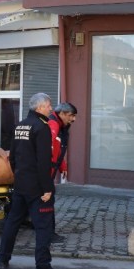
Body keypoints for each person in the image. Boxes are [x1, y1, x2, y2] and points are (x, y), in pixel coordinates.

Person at [0, 92, 65, 269]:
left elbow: (12, 157)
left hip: (20, 183)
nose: (51, 109)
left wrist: (18, 175)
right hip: (37, 187)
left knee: (12, 222)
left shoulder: (20, 125)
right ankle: (43, 266)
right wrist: (47, 189)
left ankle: (3, 258)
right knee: (43, 227)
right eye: (49, 105)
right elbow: (43, 162)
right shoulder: (41, 127)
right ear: (40, 107)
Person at [48, 102, 77, 243]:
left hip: (48, 171)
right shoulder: (53, 125)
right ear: (62, 114)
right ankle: (49, 234)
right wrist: (46, 175)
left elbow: (59, 150)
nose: (73, 119)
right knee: (47, 204)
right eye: (71, 115)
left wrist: (62, 165)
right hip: (46, 172)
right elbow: (47, 150)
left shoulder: (62, 126)